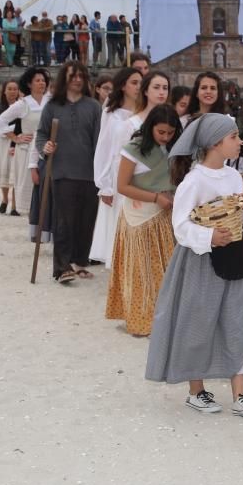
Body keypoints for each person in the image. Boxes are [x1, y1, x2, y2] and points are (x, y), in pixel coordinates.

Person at [145, 113, 243, 418]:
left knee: (237, 320)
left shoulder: (234, 176)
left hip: (236, 256)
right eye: (234, 137)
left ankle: (241, 395)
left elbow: (237, 219)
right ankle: (196, 391)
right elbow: (180, 226)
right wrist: (210, 236)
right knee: (198, 323)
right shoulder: (193, 181)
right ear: (215, 143)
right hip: (201, 262)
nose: (240, 141)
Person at [105, 105, 182, 335]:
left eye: (170, 133)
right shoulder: (133, 149)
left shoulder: (174, 149)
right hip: (140, 217)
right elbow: (122, 186)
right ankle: (142, 320)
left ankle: (166, 320)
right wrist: (156, 197)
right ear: (150, 128)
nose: (165, 137)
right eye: (161, 132)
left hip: (166, 216)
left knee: (167, 270)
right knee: (142, 273)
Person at [35, 62, 102, 283]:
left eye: (81, 75)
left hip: (90, 173)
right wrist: (45, 148)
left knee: (86, 221)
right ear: (65, 79)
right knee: (64, 221)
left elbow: (100, 141)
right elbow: (42, 135)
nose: (77, 79)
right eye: (73, 76)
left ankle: (80, 262)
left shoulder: (94, 106)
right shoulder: (52, 106)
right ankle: (62, 267)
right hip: (62, 171)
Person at [89, 67, 142, 265]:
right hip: (117, 174)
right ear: (123, 86)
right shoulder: (111, 113)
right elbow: (104, 148)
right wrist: (104, 185)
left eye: (140, 83)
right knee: (118, 222)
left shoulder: (145, 112)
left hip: (140, 175)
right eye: (134, 83)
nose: (138, 87)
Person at [0, 67, 51, 227]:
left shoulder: (51, 101)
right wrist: (15, 137)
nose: (42, 83)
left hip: (48, 148)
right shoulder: (23, 104)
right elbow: (0, 121)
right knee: (29, 186)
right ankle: (33, 225)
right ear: (29, 84)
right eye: (38, 80)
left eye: (43, 80)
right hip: (27, 150)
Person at [0, 80, 21, 214]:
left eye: (15, 89)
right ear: (4, 91)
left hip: (17, 141)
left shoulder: (21, 106)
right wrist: (11, 130)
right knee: (4, 170)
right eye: (10, 89)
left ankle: (14, 205)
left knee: (16, 172)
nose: (13, 91)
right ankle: (5, 199)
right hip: (2, 142)